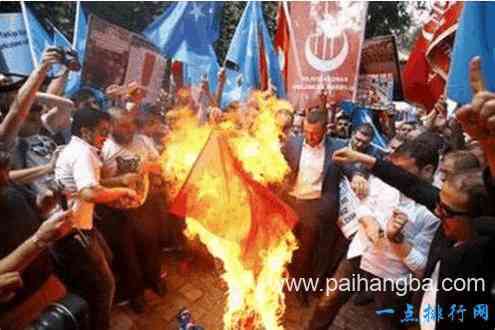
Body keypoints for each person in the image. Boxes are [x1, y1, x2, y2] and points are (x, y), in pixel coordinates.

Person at [53, 108, 138, 330]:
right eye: (102, 132)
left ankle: (95, 316)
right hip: (74, 233)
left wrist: (114, 192)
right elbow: (90, 192)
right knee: (104, 286)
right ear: (85, 131)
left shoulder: (77, 149)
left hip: (80, 227)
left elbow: (88, 187)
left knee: (106, 259)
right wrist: (123, 192)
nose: (105, 138)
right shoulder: (83, 153)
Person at [98, 107, 166, 312]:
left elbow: (161, 164)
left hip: (142, 205)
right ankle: (135, 294)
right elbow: (95, 183)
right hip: (116, 212)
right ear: (111, 126)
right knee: (127, 256)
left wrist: (148, 167)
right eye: (124, 125)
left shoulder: (142, 141)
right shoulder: (102, 149)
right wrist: (119, 180)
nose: (130, 129)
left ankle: (154, 280)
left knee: (150, 246)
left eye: (131, 124)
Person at [282, 109, 347, 305]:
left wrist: (359, 176)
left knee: (306, 252)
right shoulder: (292, 143)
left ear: (325, 130)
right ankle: (282, 283)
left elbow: (353, 167)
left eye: (315, 133)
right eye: (306, 132)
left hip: (314, 208)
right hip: (289, 204)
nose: (309, 137)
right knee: (284, 247)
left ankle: (301, 289)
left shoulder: (338, 147)